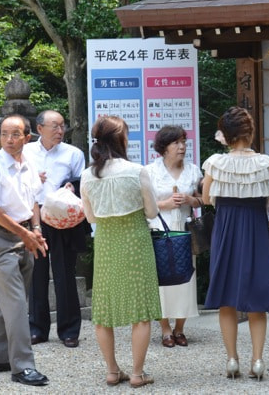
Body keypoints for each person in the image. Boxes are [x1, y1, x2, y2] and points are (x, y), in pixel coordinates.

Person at [201, 106, 269, 381]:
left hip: (225, 229)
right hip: (255, 230)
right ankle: (258, 360)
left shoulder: (214, 163)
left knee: (227, 298)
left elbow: (205, 199)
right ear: (250, 133)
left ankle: (231, 360)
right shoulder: (268, 164)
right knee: (256, 298)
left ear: (225, 135)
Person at [80, 115, 161, 388]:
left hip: (105, 241)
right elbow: (151, 211)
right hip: (136, 241)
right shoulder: (137, 171)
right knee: (141, 310)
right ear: (122, 139)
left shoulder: (87, 176)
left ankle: (112, 371)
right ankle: (138, 374)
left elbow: (90, 217)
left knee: (104, 311)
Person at [0, 115, 49, 386]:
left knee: (4, 301)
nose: (8, 139)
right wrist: (27, 234)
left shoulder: (29, 164)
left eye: (15, 134)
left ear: (27, 137)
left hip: (25, 235)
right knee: (17, 303)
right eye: (4, 134)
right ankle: (23, 367)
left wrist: (37, 230)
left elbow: (34, 201)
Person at [23, 110, 87, 348]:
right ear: (39, 129)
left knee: (65, 274)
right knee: (36, 274)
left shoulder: (73, 154)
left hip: (63, 217)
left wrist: (73, 186)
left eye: (62, 126)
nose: (60, 131)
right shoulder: (26, 152)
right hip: (33, 215)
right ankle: (37, 328)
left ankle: (69, 330)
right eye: (55, 126)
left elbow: (83, 183)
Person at [144, 125, 202, 348]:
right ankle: (165, 329)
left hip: (185, 230)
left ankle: (180, 328)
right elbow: (143, 204)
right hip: (159, 229)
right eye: (176, 143)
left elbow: (203, 200)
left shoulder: (193, 170)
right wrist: (164, 204)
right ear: (164, 147)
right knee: (161, 281)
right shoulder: (149, 171)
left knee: (186, 279)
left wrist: (191, 201)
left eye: (183, 142)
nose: (181, 147)